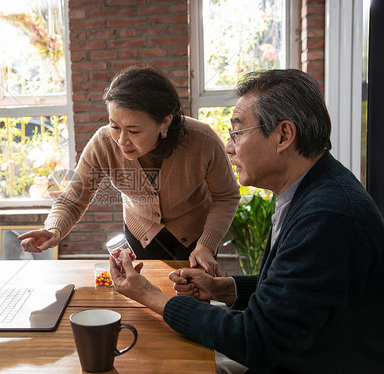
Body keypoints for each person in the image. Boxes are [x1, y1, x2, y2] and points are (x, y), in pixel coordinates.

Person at [109, 69, 384, 373]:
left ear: (283, 136)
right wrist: (223, 288)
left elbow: (257, 340)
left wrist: (150, 296)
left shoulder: (328, 217)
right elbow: (289, 294)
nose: (228, 147)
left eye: (237, 133)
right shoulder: (312, 191)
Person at [19, 65, 240, 275]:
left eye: (133, 131)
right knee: (140, 301)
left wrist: (207, 245)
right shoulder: (104, 143)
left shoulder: (202, 140)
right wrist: (54, 229)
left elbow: (226, 196)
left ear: (164, 122)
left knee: (191, 304)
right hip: (139, 234)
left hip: (196, 237)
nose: (121, 140)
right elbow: (72, 199)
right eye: (115, 126)